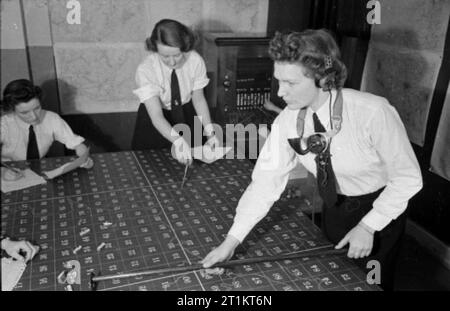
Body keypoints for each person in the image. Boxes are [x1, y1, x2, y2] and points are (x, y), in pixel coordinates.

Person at [201, 29, 423, 290]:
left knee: (371, 283)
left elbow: (408, 178)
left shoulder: (374, 112)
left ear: (323, 78)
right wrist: (230, 243)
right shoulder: (287, 121)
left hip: (381, 209)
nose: (280, 92)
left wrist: (368, 226)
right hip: (334, 208)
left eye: (291, 83)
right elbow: (264, 184)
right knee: (336, 279)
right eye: (278, 81)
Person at [132, 19, 219, 165]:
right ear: (155, 49)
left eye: (178, 55)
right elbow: (157, 116)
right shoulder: (146, 70)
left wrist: (210, 133)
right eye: (165, 56)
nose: (172, 62)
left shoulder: (195, 60)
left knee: (194, 165)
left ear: (185, 47)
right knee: (154, 167)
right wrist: (178, 141)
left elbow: (198, 100)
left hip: (186, 114)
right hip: (155, 122)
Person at [0, 79, 93, 168]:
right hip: (8, 170)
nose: (34, 116)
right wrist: (3, 171)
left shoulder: (51, 118)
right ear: (12, 110)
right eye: (24, 112)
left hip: (39, 169)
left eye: (37, 108)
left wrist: (84, 158)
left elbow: (76, 144)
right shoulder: (3, 124)